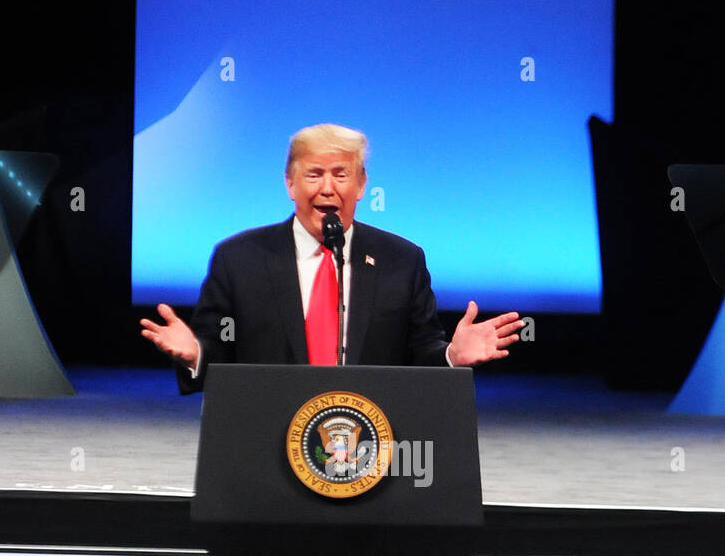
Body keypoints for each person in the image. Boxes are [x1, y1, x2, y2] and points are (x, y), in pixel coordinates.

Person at [140, 123, 523, 382]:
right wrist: (194, 355)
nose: (327, 188)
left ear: (361, 186)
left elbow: (420, 354)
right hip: (264, 438)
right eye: (313, 174)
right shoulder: (239, 260)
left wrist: (452, 357)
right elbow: (218, 354)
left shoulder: (401, 261)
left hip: (372, 447)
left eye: (341, 175)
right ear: (290, 183)